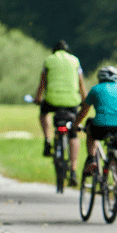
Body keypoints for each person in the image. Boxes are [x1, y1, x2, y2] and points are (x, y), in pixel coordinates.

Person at [34, 40, 87, 186]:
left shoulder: (49, 60)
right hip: (72, 101)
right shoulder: (75, 61)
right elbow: (81, 83)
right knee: (73, 132)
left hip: (52, 100)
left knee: (43, 113)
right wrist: (84, 100)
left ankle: (47, 139)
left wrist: (38, 98)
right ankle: (74, 168)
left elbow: (42, 83)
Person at [73, 66, 117, 198]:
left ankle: (92, 159)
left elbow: (84, 111)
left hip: (100, 125)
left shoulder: (95, 89)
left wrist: (75, 124)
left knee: (89, 129)